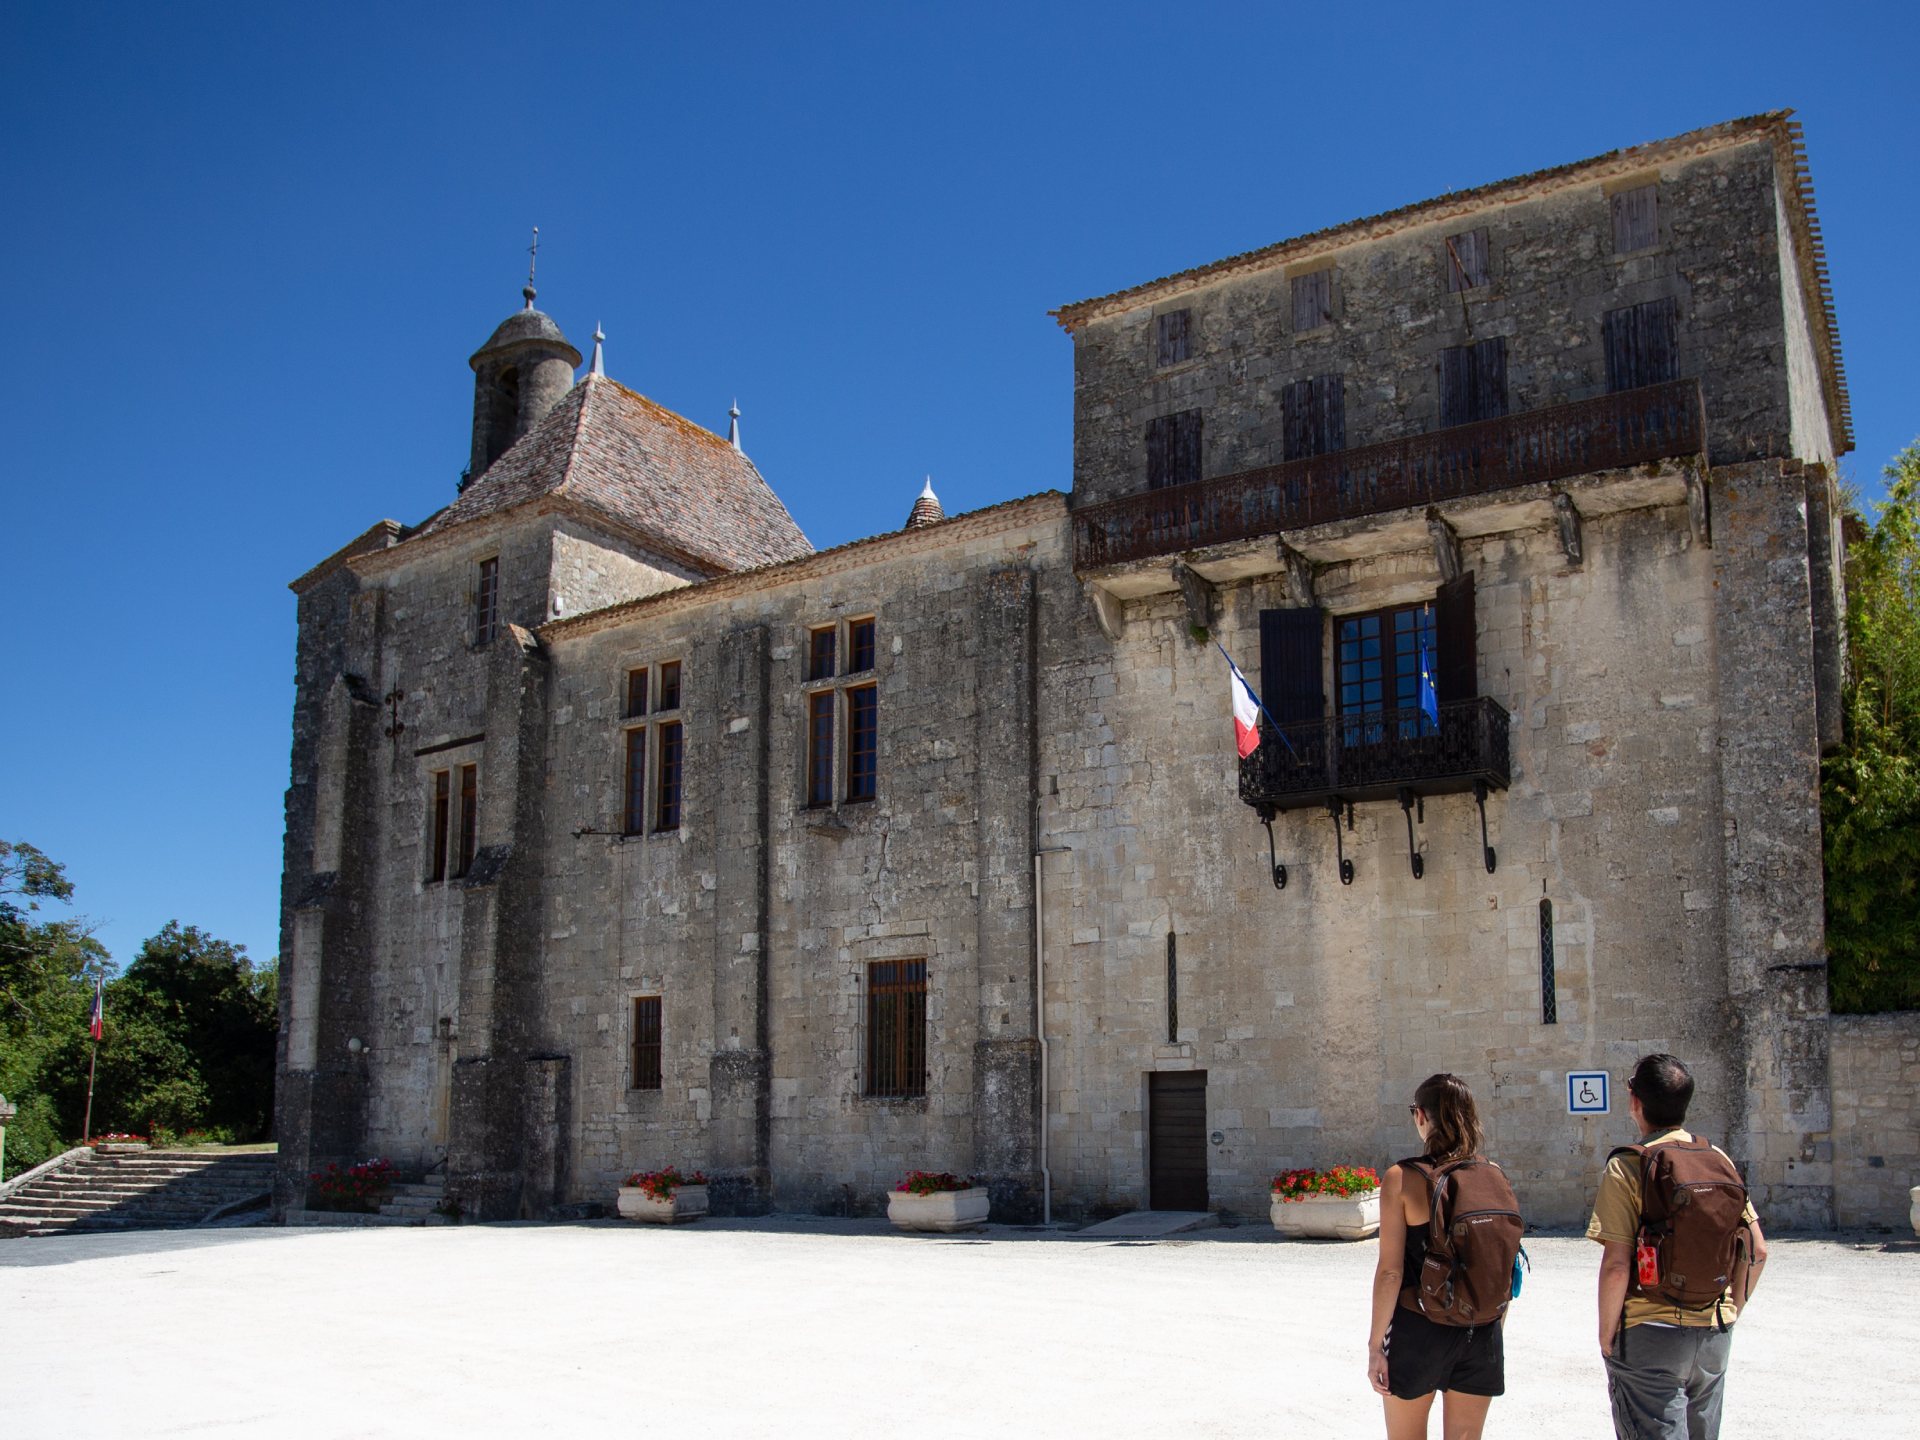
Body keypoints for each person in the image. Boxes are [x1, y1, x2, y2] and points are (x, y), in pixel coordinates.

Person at [1588, 1054, 1769, 1440]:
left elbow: (1617, 1265)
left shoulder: (1628, 1165)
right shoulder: (1717, 1158)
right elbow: (1757, 1249)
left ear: (1634, 1101)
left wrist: (1607, 1334)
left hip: (1649, 1331)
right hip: (1714, 1331)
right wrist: (1733, 1306)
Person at [1367, 1073, 1506, 1440]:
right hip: (1481, 1329)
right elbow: (1502, 1263)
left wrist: (1375, 1346)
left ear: (1421, 1117)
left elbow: (1390, 1274)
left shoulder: (1402, 1177)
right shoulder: (1493, 1175)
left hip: (1419, 1327)